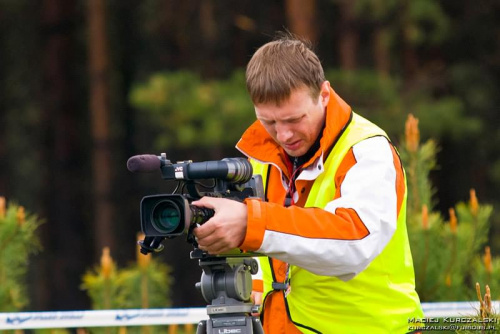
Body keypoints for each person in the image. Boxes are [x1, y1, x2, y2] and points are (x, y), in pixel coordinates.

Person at [192, 34, 424, 333]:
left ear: (324, 94)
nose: (284, 135)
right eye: (269, 122)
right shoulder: (260, 159)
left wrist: (251, 222)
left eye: (294, 119)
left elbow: (354, 243)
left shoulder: (367, 150)